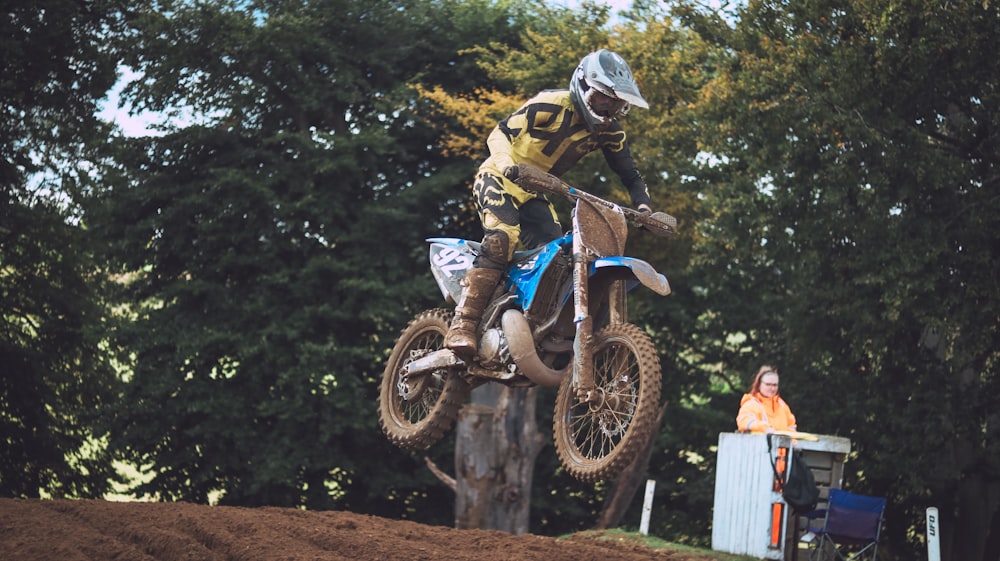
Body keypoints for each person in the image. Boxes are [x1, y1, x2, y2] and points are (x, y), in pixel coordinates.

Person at [445, 49, 655, 359]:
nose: (609, 108)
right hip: (500, 177)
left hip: (537, 192)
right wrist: (505, 165)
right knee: (503, 237)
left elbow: (630, 174)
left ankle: (528, 322)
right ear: (583, 86)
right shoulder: (551, 104)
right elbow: (500, 132)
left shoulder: (609, 131)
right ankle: (463, 323)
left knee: (556, 259)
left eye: (616, 102)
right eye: (603, 98)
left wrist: (643, 209)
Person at [736, 365, 798, 433]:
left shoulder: (782, 406)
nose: (772, 388)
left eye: (775, 385)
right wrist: (765, 428)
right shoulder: (751, 405)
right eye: (768, 384)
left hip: (781, 443)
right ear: (759, 385)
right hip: (758, 443)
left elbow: (792, 427)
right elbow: (743, 421)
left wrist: (791, 440)